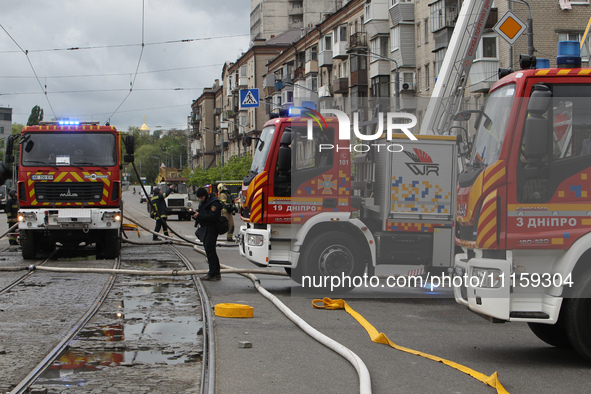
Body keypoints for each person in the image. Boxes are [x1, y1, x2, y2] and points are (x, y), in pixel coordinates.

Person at [193, 187, 222, 281]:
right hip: (205, 228)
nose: (200, 200)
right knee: (209, 251)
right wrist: (195, 215)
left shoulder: (214, 203)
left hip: (212, 228)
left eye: (201, 198)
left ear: (205, 196)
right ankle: (215, 273)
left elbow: (212, 216)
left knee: (210, 251)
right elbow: (201, 212)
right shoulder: (204, 202)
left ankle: (213, 273)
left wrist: (199, 215)